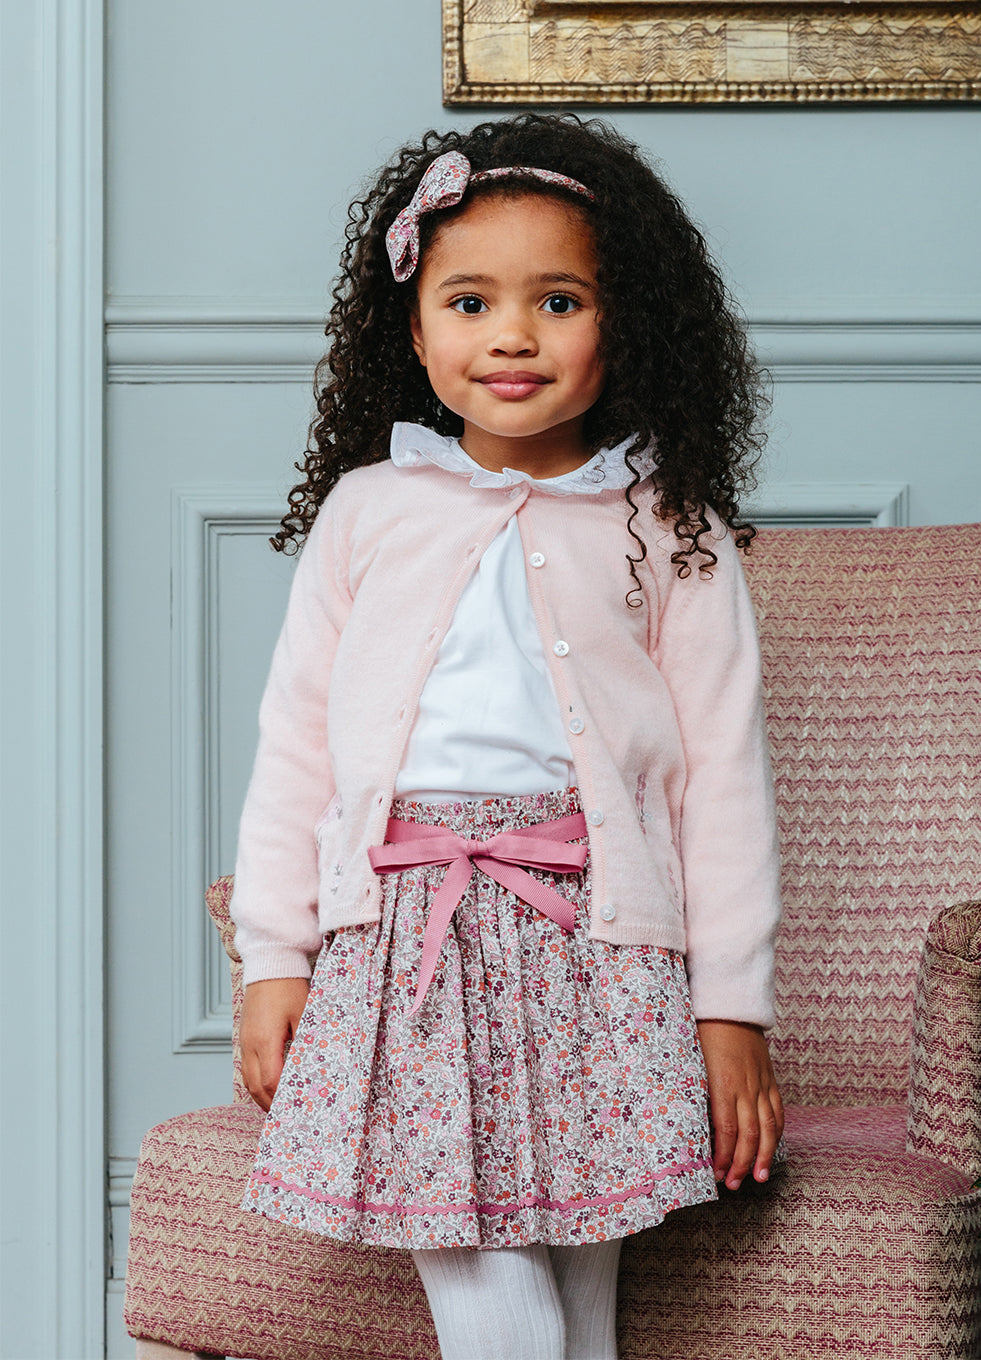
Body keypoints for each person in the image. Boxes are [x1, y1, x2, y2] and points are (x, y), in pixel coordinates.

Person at [230, 111, 784, 1360]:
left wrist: (731, 1010)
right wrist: (274, 958)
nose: (512, 336)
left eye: (559, 301)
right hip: (405, 941)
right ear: (412, 327)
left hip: (602, 938)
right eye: (470, 301)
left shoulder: (668, 525)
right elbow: (296, 751)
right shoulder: (368, 511)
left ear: (624, 323)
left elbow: (724, 780)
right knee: (485, 1279)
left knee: (584, 1286)